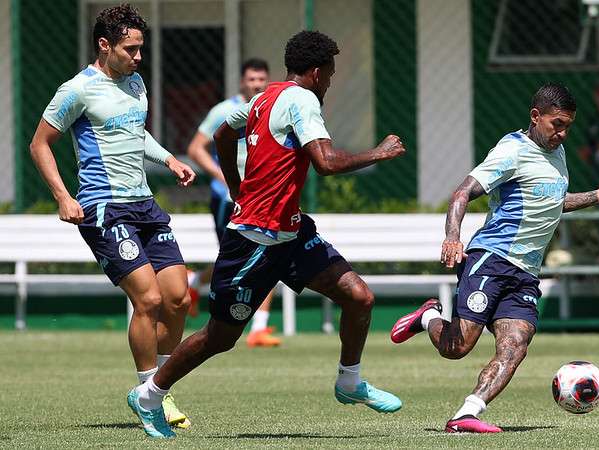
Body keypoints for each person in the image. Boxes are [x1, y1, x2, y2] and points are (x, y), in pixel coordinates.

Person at [129, 30, 406, 439]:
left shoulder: (265, 97)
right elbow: (326, 162)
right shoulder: (302, 99)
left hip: (289, 233)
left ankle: (349, 382)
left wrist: (237, 187)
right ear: (315, 72)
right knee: (219, 337)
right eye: (329, 74)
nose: (329, 82)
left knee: (359, 296)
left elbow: (224, 134)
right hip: (253, 242)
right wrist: (378, 153)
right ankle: (150, 394)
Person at [391, 83, 599, 433]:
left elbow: (552, 202)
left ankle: (466, 414)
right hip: (492, 259)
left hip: (526, 273)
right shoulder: (511, 150)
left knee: (515, 344)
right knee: (457, 347)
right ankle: (428, 318)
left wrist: (594, 196)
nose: (562, 133)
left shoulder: (556, 153)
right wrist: (452, 237)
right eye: (557, 124)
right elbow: (462, 192)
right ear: (535, 116)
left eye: (568, 126)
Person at [28, 3, 197, 435]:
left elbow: (136, 133)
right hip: (104, 207)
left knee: (178, 297)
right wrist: (64, 197)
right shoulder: (76, 90)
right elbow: (40, 144)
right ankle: (148, 395)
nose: (138, 58)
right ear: (105, 46)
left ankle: (157, 388)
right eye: (130, 49)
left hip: (144, 204)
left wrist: (169, 159)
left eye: (141, 49)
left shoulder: (136, 82)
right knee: (149, 300)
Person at [186, 58, 280, 348]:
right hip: (228, 199)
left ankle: (259, 329)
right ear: (242, 81)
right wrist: (222, 176)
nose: (257, 84)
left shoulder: (272, 109)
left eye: (262, 79)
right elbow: (195, 149)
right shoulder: (225, 111)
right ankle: (195, 285)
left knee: (270, 255)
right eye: (252, 79)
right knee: (236, 260)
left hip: (262, 198)